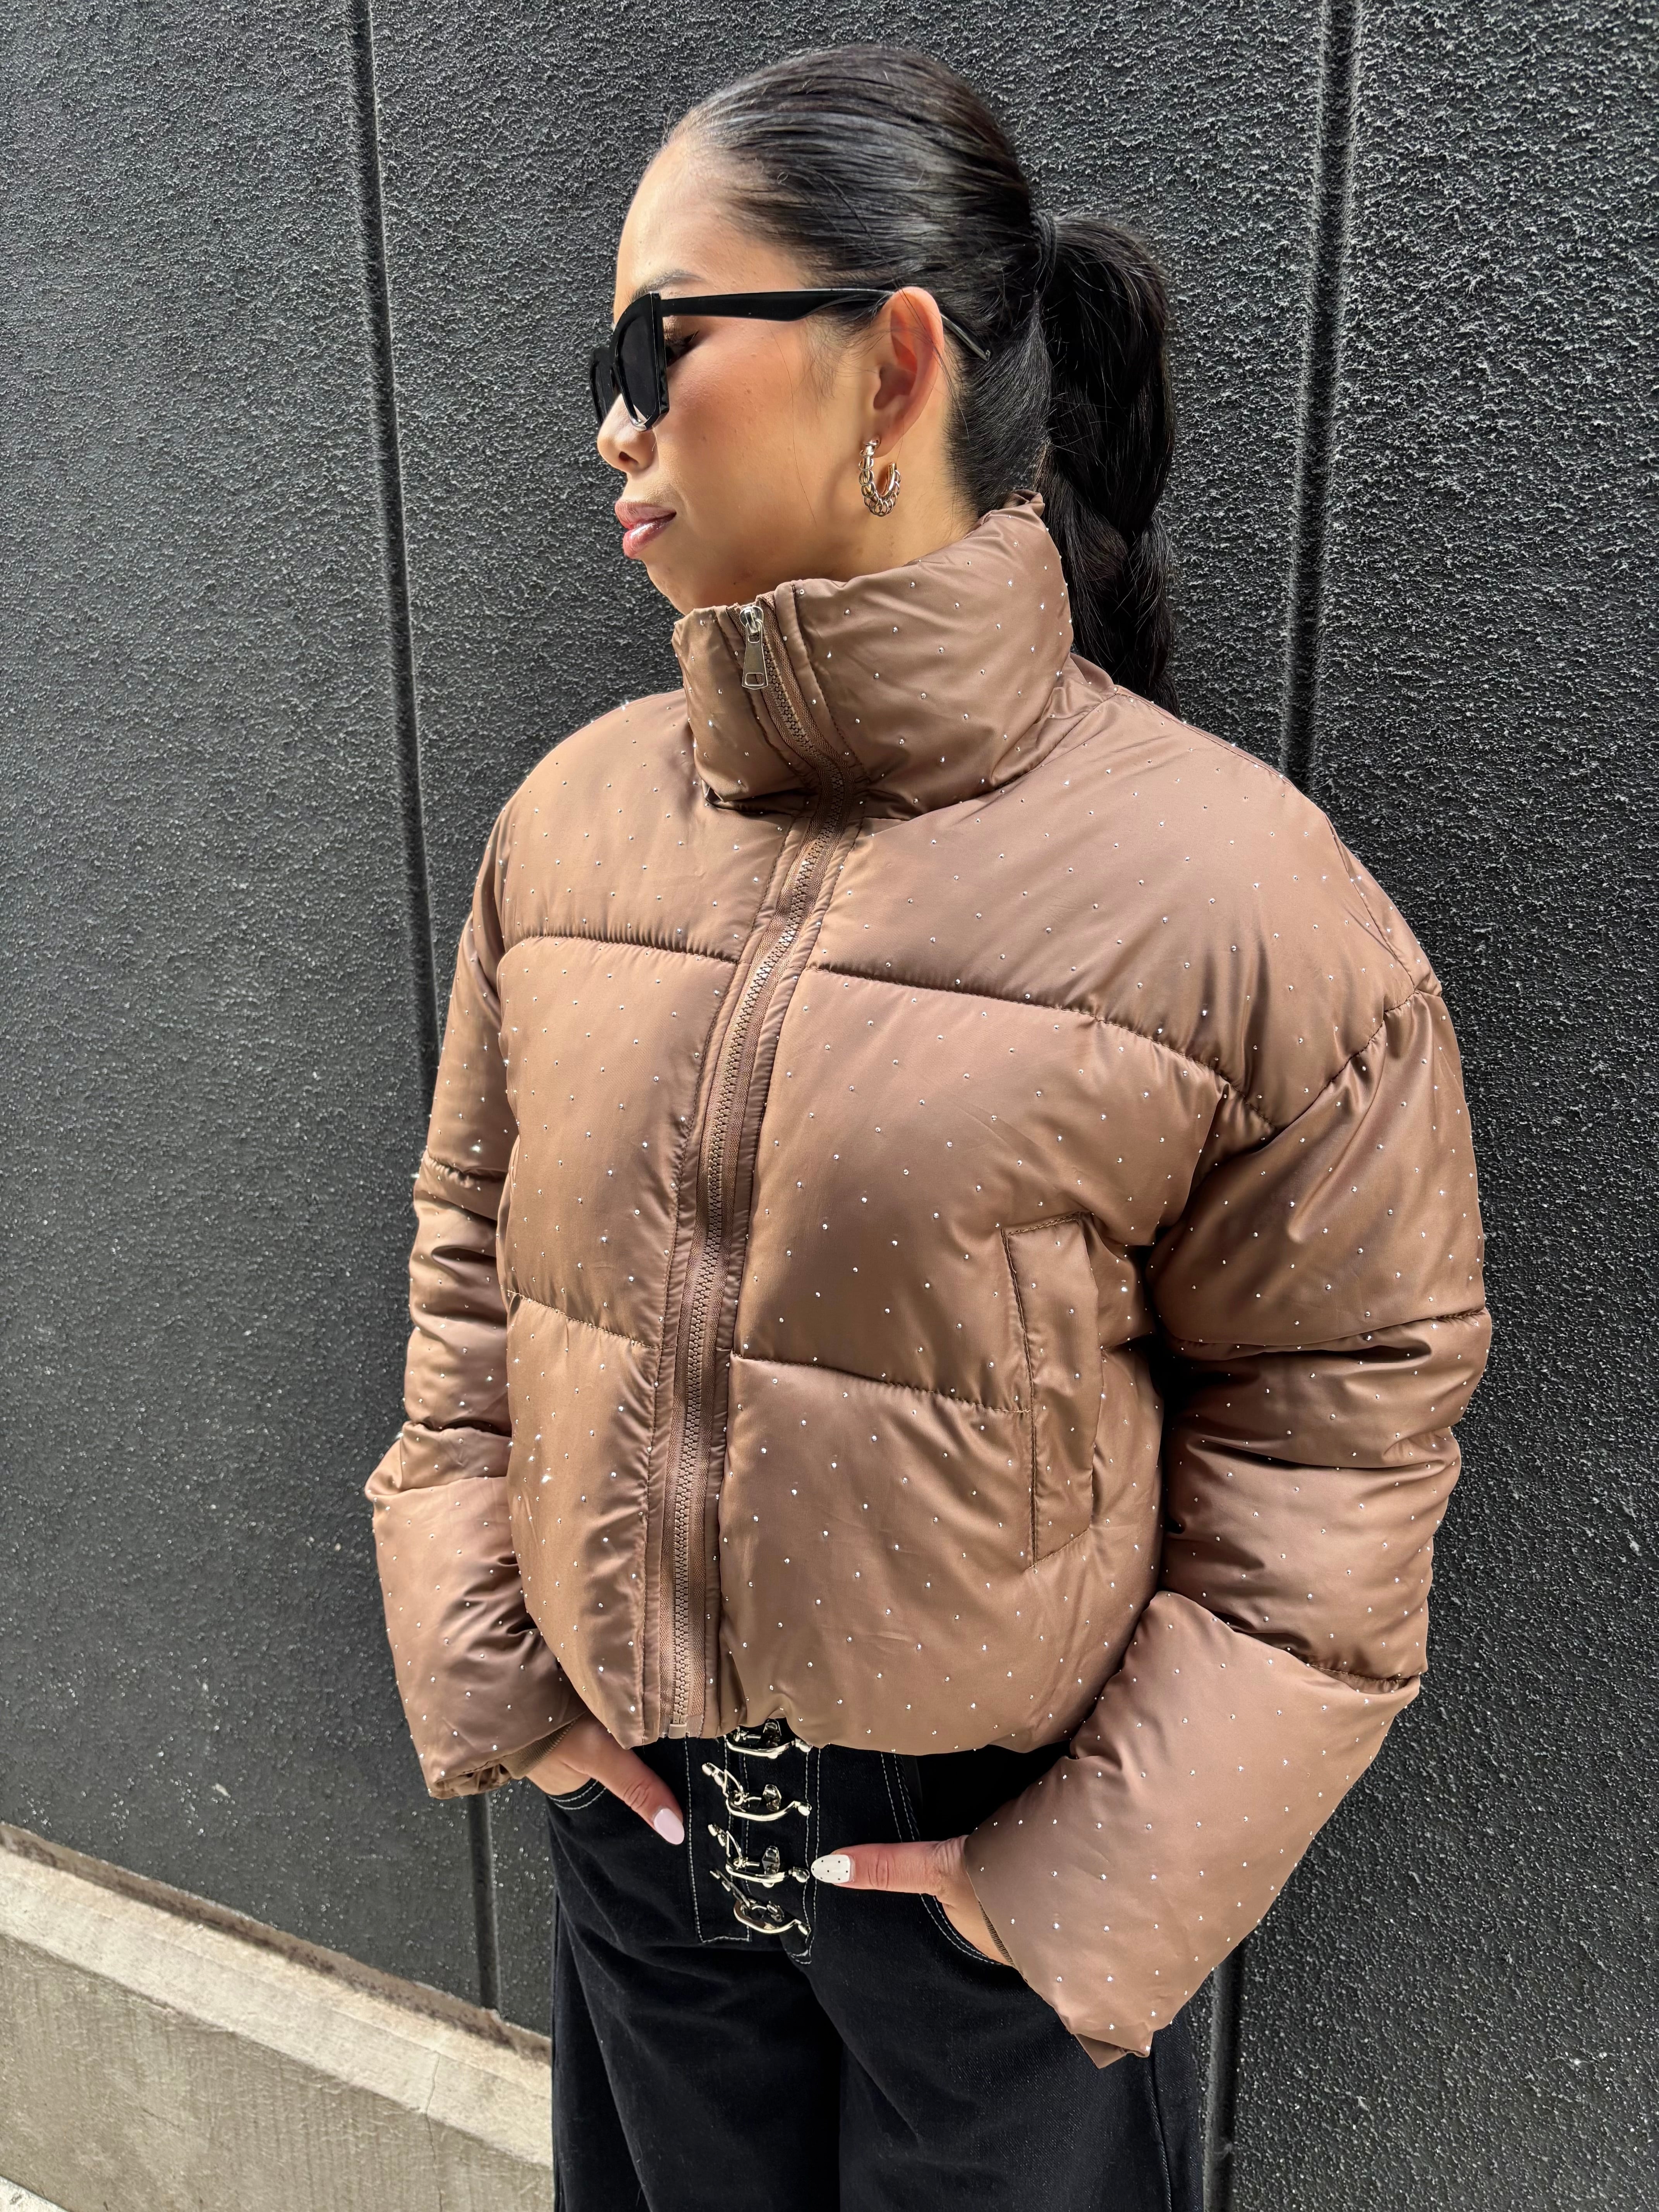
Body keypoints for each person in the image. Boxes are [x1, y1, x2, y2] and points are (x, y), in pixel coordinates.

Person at [366, 44, 1490, 2212]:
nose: (611, 424)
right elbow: (468, 1261)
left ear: (890, 369)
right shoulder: (570, 828)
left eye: (657, 345)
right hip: (645, 1842)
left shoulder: (1235, 898)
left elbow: (1344, 1437)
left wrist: (1066, 1896)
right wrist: (515, 1685)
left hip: (992, 1894)